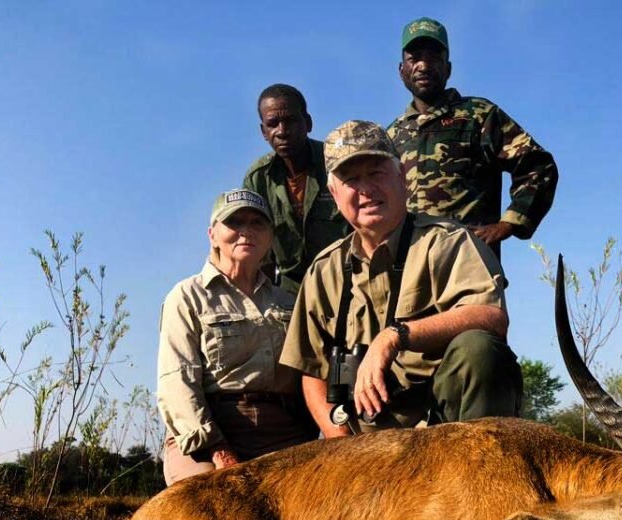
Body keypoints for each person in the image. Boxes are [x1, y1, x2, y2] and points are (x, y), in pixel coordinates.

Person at [281, 120, 522, 437]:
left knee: (478, 348)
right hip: (365, 442)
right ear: (334, 194)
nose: (366, 189)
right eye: (351, 179)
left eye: (376, 173)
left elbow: (490, 317)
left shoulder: (447, 242)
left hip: (443, 430)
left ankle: (477, 475)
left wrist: (394, 337)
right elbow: (311, 370)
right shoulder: (323, 269)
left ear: (401, 178)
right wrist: (340, 450)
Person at [157, 189, 318, 485]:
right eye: (234, 223)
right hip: (209, 433)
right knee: (212, 510)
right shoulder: (187, 297)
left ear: (270, 237)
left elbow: (310, 375)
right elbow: (176, 384)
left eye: (257, 223)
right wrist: (219, 451)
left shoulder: (288, 302)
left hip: (285, 432)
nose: (246, 232)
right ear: (212, 234)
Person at [388, 17, 559, 258]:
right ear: (401, 70)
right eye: (414, 58)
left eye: (434, 58)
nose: (424, 66)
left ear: (448, 68)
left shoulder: (479, 115)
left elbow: (538, 166)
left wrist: (509, 224)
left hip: (470, 266)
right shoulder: (391, 135)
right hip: (408, 271)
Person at [243, 84, 349, 294]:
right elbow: (257, 250)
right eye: (273, 124)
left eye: (290, 120)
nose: (282, 131)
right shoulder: (258, 179)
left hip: (346, 282)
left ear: (308, 123)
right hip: (291, 293)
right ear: (263, 131)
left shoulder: (337, 163)